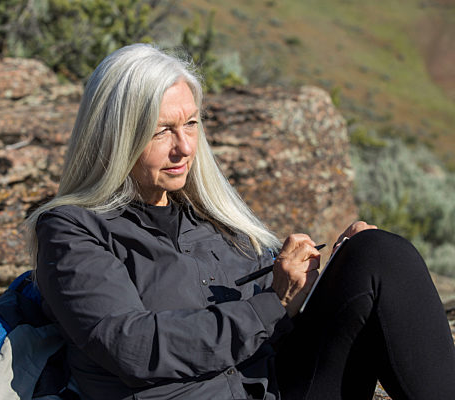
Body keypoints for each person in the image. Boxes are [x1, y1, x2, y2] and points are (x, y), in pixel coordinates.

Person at [24, 43, 455, 399]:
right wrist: (272, 302)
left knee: (377, 254)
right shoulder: (72, 229)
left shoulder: (208, 216)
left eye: (190, 124)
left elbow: (275, 324)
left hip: (276, 389)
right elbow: (131, 346)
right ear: (116, 135)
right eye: (161, 131)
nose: (184, 148)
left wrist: (329, 274)